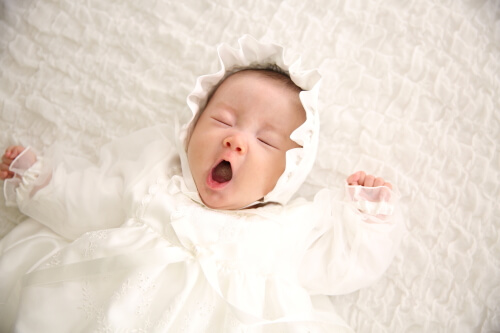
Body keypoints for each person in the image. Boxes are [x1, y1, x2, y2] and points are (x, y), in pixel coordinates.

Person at [0, 35, 403, 332]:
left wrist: (368, 217)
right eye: (223, 121)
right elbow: (88, 202)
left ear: (291, 170)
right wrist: (38, 182)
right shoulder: (155, 183)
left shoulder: (289, 230)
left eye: (265, 140)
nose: (236, 139)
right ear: (191, 128)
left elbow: (343, 264)